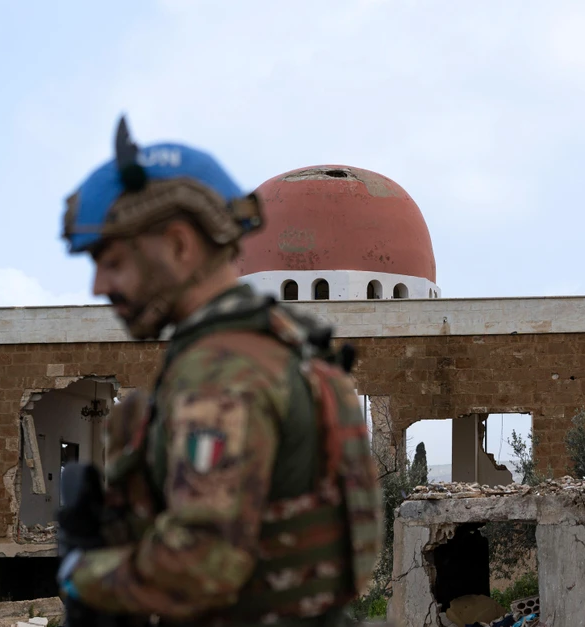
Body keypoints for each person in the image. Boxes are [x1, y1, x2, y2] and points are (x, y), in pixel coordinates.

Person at [56, 116, 383, 627]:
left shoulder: (221, 372)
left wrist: (83, 573)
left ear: (181, 246)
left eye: (113, 260)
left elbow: (202, 563)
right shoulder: (281, 343)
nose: (99, 284)